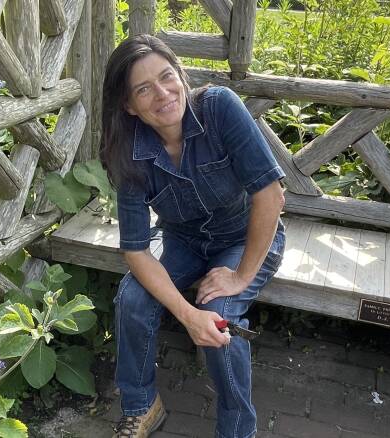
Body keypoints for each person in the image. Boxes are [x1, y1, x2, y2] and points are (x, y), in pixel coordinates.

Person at [99, 34, 286, 438]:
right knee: (132, 295)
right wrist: (187, 316)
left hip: (246, 238)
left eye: (167, 77)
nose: (163, 94)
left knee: (221, 312)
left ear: (181, 76)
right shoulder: (127, 151)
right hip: (183, 241)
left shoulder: (219, 107)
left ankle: (238, 429)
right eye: (144, 89)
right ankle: (141, 406)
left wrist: (239, 276)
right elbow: (136, 250)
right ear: (129, 105)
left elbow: (270, 196)